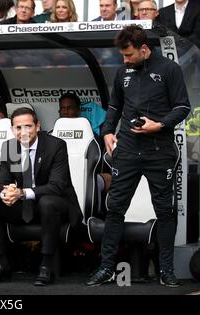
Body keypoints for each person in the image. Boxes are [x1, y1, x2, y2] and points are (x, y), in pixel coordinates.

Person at [85, 25, 190, 288]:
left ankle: (166, 270)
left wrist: (161, 124)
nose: (125, 60)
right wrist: (108, 131)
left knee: (165, 211)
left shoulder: (169, 69)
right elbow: (114, 106)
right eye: (122, 55)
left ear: (144, 49)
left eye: (129, 55)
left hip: (160, 151)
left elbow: (182, 107)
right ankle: (107, 267)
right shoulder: (123, 72)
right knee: (115, 208)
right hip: (128, 149)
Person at [0, 107, 82, 286]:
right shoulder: (9, 146)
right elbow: (0, 184)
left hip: (56, 202)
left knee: (47, 202)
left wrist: (22, 193)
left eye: (28, 126)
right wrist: (7, 193)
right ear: (12, 129)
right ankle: (1, 263)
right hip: (25, 205)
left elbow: (57, 186)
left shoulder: (56, 145)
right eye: (18, 128)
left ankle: (46, 266)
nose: (23, 132)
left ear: (38, 126)